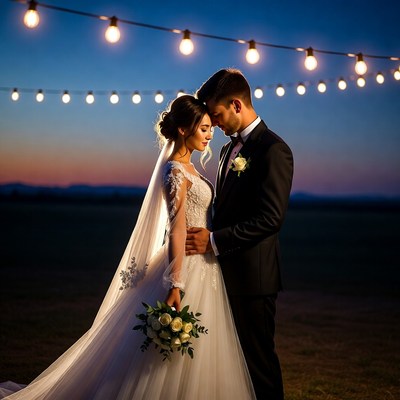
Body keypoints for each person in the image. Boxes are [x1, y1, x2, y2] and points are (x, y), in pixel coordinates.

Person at [0, 95, 256, 400]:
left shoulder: (190, 168)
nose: (210, 133)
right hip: (185, 264)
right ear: (184, 130)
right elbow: (175, 228)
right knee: (167, 353)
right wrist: (175, 282)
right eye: (203, 128)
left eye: (209, 128)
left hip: (207, 264)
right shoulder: (175, 170)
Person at [186, 69, 294, 399]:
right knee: (230, 366)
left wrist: (214, 240)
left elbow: (270, 218)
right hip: (221, 276)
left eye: (216, 115)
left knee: (258, 364)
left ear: (236, 105)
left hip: (254, 279)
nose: (213, 124)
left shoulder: (273, 149)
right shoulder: (224, 153)